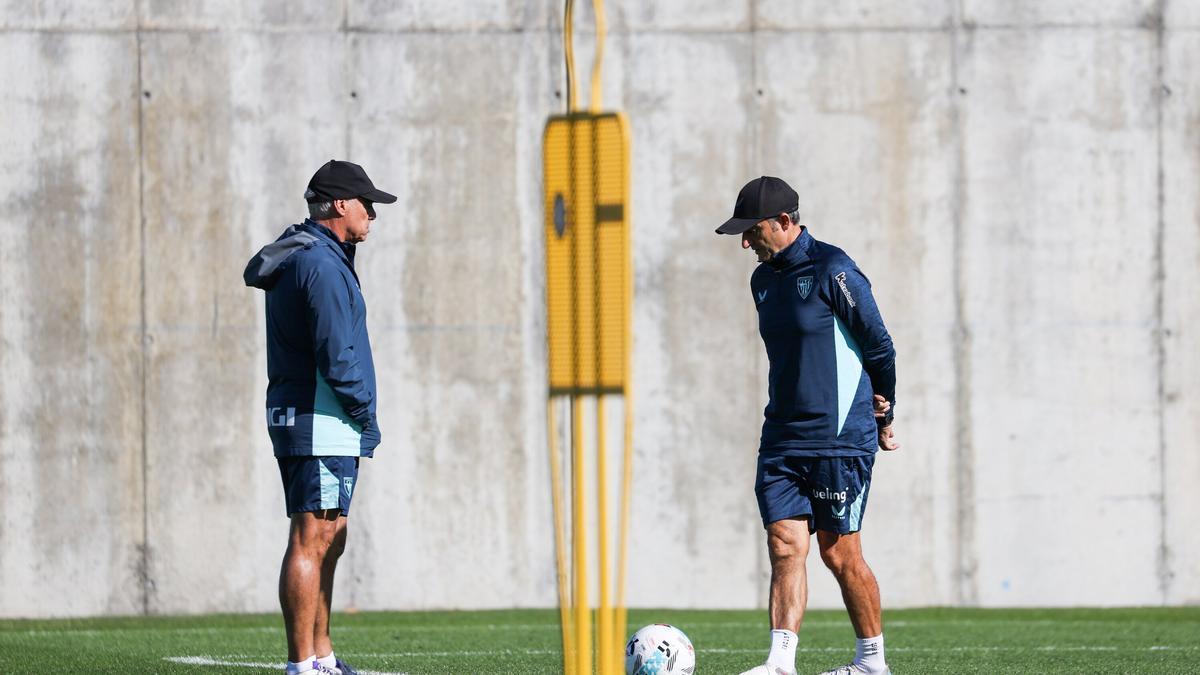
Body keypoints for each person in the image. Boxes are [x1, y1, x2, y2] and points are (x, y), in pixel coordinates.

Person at [716, 177, 898, 675]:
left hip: (839, 437)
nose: (745, 242)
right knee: (783, 544)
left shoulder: (834, 270)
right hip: (781, 436)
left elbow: (879, 346)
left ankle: (871, 663)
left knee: (839, 554)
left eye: (752, 231)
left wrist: (887, 412)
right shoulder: (762, 281)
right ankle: (780, 663)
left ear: (785, 222)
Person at [243, 159, 396, 675]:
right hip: (322, 415)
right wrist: (363, 410)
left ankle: (321, 655)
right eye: (365, 203)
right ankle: (302, 664)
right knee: (311, 537)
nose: (372, 213)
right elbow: (336, 354)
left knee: (331, 535)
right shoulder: (323, 265)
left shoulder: (316, 256)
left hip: (314, 414)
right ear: (338, 205)